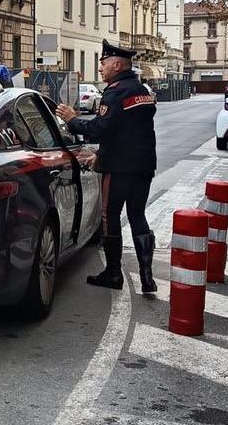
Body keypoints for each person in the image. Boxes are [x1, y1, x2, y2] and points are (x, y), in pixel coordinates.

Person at [55, 40, 158, 294]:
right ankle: (147, 278)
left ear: (117, 65)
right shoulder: (142, 90)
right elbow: (128, 132)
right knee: (137, 215)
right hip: (143, 165)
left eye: (103, 63)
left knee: (109, 217)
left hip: (119, 169)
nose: (100, 68)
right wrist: (100, 156)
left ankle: (113, 273)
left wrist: (72, 120)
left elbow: (100, 130)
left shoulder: (115, 92)